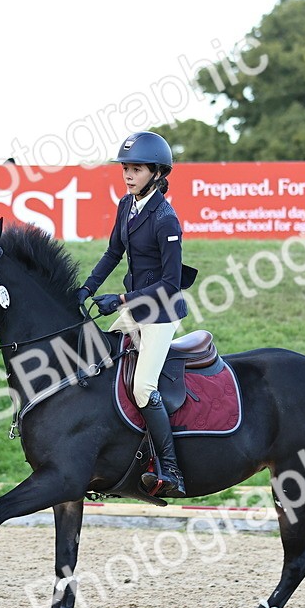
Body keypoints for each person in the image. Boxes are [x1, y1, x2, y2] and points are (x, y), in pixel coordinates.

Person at [75, 131, 194, 498]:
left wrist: (122, 298)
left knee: (143, 387)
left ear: (157, 173)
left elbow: (171, 283)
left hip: (160, 313)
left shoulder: (166, 220)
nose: (128, 175)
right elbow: (113, 252)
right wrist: (87, 288)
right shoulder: (126, 205)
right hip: (135, 307)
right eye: (125, 168)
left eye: (137, 169)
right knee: (101, 365)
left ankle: (171, 470)